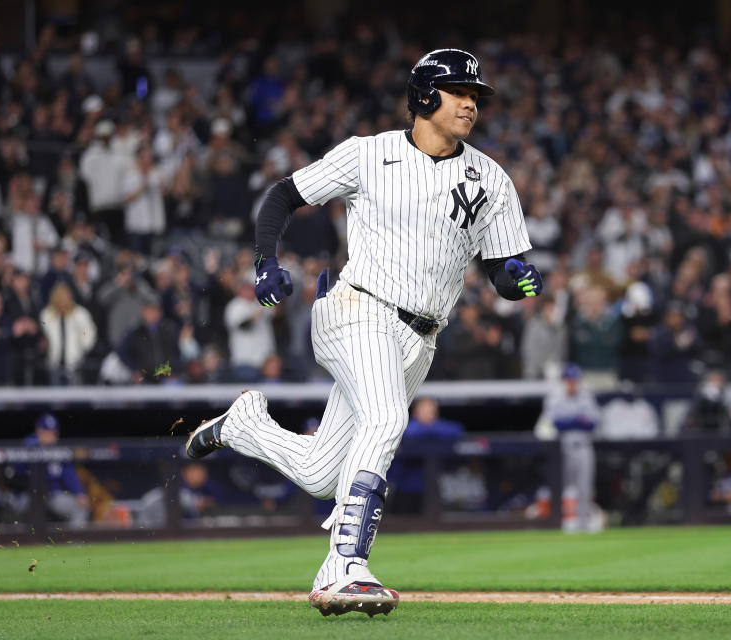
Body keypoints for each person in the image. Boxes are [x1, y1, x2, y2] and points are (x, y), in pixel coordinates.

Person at [184, 49, 541, 617]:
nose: (472, 103)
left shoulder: (491, 177)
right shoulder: (368, 153)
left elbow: (503, 269)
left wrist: (517, 277)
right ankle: (344, 565)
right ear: (425, 96)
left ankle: (244, 426)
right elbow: (282, 196)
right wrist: (264, 262)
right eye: (458, 92)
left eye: (476, 95)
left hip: (420, 338)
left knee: (323, 473)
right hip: (357, 308)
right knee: (386, 419)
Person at [537, 364, 601, 532]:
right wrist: (577, 420)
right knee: (561, 485)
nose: (573, 383)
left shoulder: (587, 396)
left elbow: (592, 423)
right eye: (569, 380)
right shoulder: (555, 397)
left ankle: (583, 524)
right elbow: (556, 423)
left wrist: (572, 421)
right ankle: (560, 522)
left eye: (575, 380)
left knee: (585, 486)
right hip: (563, 447)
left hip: (584, 445)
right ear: (564, 381)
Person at [22, 413, 90, 526]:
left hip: (53, 495)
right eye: (45, 432)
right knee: (17, 507)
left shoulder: (59, 450)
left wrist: (79, 493)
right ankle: (19, 541)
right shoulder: (28, 446)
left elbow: (69, 475)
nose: (49, 436)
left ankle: (74, 541)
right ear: (38, 431)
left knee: (81, 506)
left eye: (52, 433)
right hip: (28, 495)